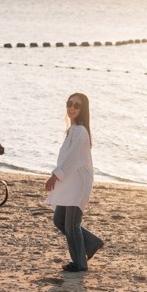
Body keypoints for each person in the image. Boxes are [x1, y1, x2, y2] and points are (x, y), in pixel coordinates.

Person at [45, 93, 104, 272]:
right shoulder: (73, 130)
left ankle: (79, 263)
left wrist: (55, 176)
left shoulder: (80, 132)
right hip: (69, 182)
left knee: (71, 225)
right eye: (69, 103)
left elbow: (71, 159)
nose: (71, 108)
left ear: (83, 109)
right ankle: (92, 243)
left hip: (78, 184)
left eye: (76, 105)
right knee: (59, 220)